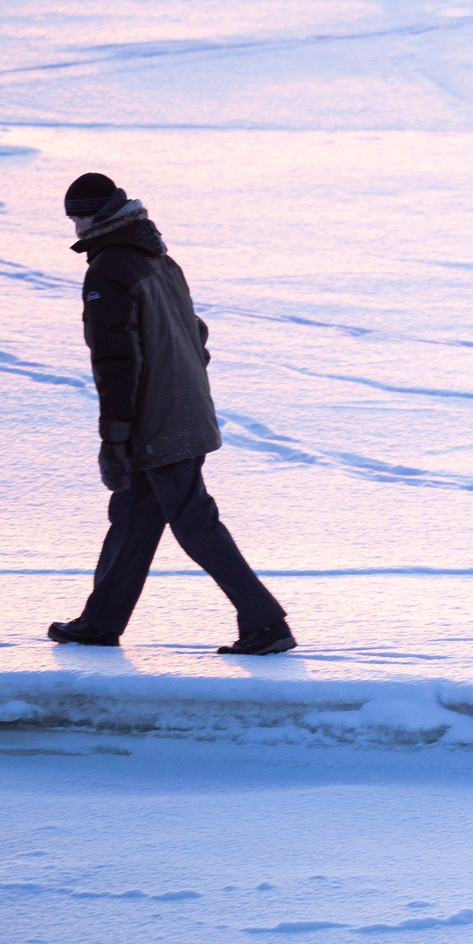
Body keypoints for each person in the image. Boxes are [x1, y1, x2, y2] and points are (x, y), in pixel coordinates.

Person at [45, 173, 294, 656]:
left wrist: (115, 436)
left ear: (107, 211)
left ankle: (265, 622)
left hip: (157, 419)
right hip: (183, 408)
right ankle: (100, 621)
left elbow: (117, 362)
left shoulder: (110, 269)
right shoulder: (158, 259)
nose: (76, 224)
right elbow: (196, 334)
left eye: (83, 213)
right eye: (70, 215)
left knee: (194, 521)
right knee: (134, 517)